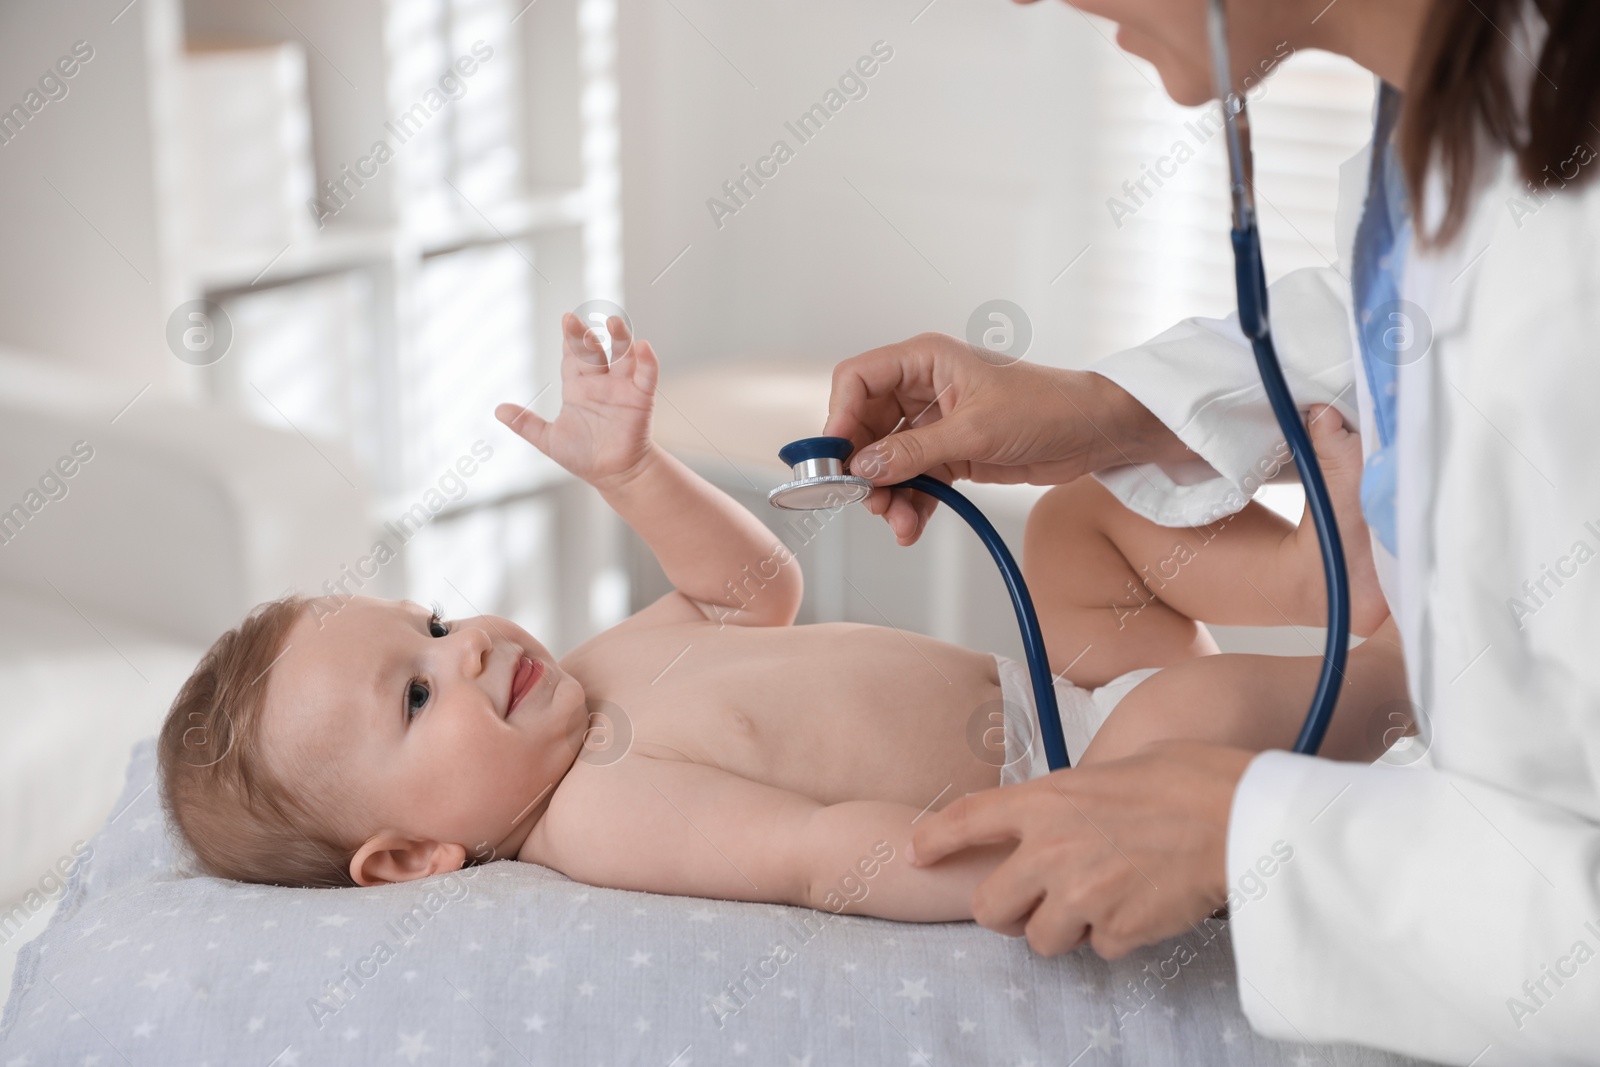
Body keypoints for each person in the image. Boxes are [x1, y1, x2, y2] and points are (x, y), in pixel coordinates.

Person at [823, 0, 1600, 1060]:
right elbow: (1403, 317)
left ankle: (1382, 664)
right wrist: (1101, 407)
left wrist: (1248, 834)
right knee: (1073, 537)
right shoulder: (1466, 113)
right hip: (1433, 767)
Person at [156, 312, 1400, 929]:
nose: (464, 644)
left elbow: (750, 596)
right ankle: (1401, 676)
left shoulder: (593, 669)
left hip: (1049, 681)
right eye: (418, 694)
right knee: (1185, 709)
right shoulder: (602, 813)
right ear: (416, 856)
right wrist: (1020, 859)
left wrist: (631, 472)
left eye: (427, 621)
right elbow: (820, 853)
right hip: (1072, 774)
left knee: (1077, 522)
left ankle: (1317, 580)